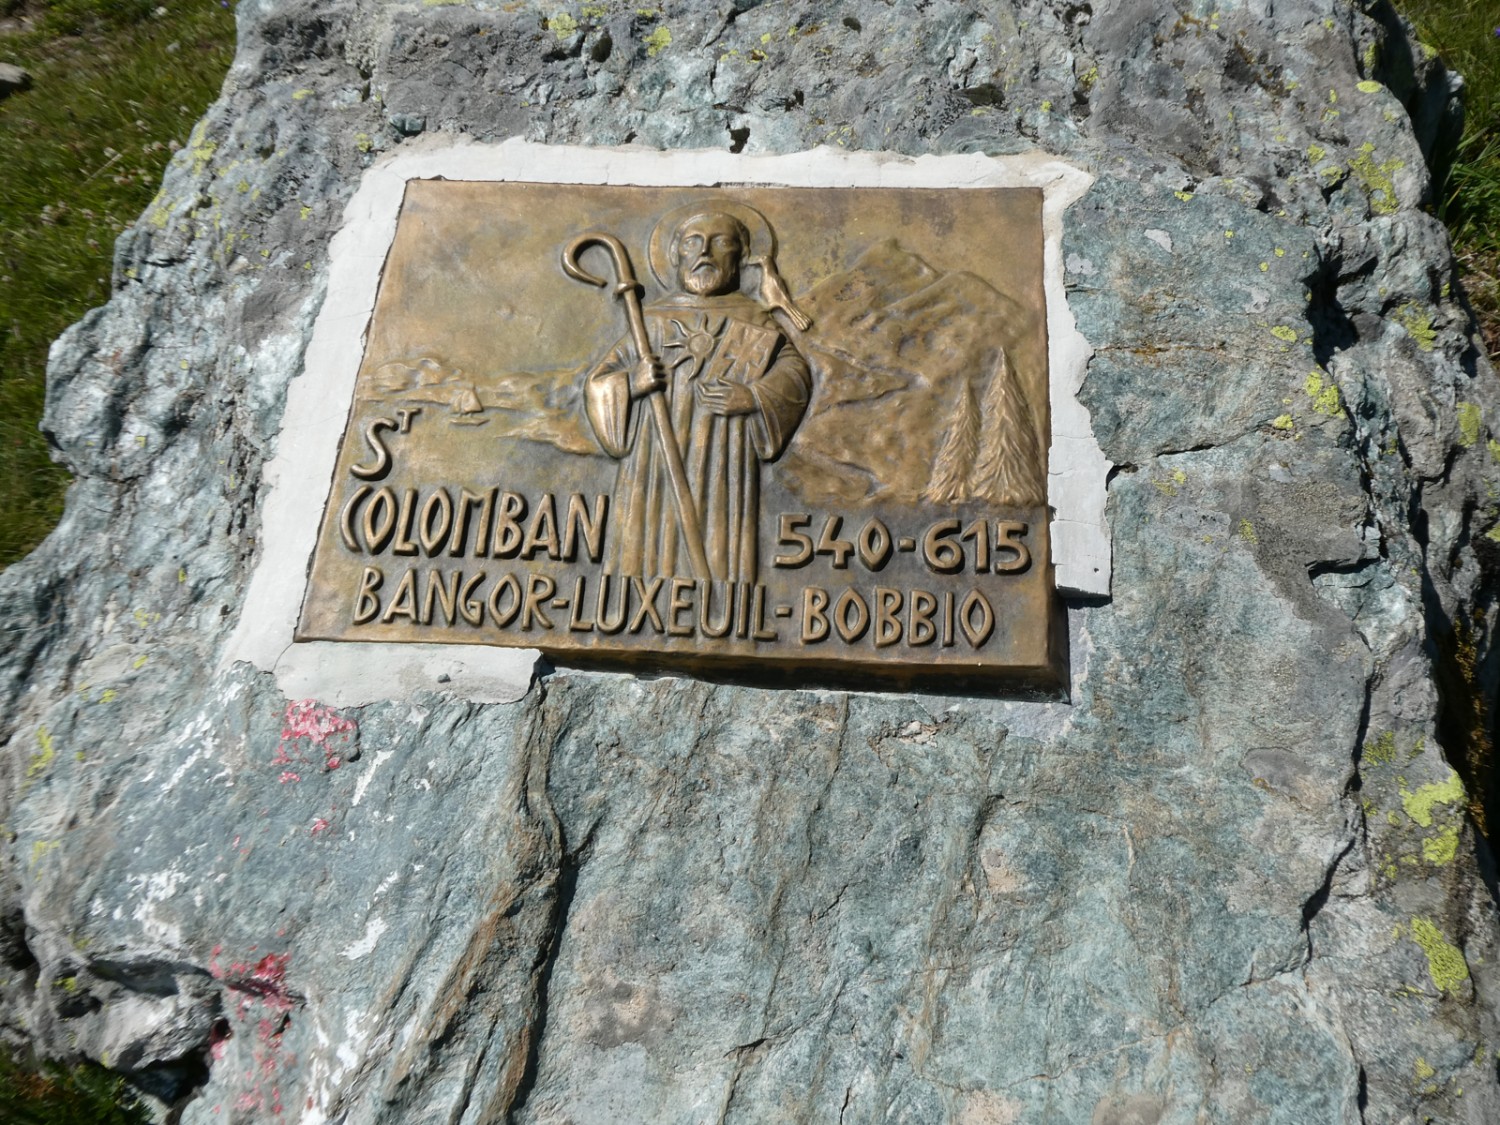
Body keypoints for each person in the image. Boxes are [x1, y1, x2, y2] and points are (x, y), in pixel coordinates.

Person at [583, 208, 811, 583]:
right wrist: (633, 383)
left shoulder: (754, 320)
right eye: (693, 242)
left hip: (727, 457)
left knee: (720, 550)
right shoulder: (651, 322)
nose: (704, 252)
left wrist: (754, 397)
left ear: (739, 257)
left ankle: (719, 611)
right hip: (653, 463)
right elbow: (599, 382)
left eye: (720, 242)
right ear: (676, 256)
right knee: (647, 543)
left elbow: (796, 374)